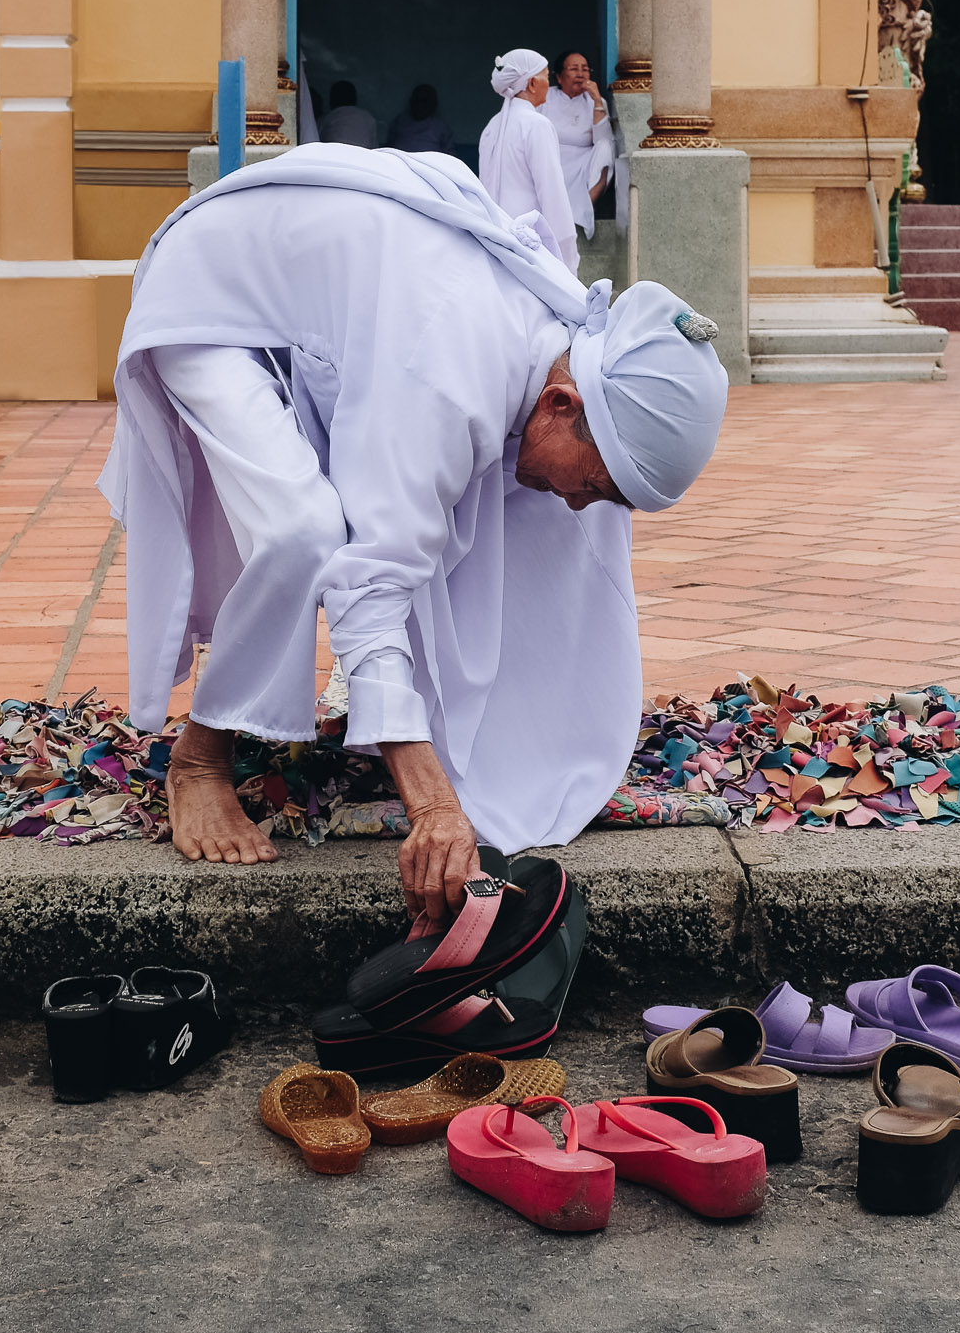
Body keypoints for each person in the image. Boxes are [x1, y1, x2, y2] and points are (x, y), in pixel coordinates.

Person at [101, 144, 726, 921]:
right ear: (560, 405)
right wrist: (431, 805)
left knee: (555, 522)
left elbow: (560, 543)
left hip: (335, 299)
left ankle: (492, 735)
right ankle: (201, 758)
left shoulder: (567, 350)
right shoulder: (447, 370)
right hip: (211, 292)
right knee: (303, 532)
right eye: (594, 484)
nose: (579, 502)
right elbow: (370, 579)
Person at [477, 48, 578, 271]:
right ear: (532, 84)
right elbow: (552, 192)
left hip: (495, 236)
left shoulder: (491, 127)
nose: (549, 84)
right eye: (546, 76)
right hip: (530, 240)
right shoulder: (537, 124)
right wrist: (567, 254)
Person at [541, 50, 616, 240]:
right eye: (574, 69)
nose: (581, 74)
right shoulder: (546, 98)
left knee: (606, 148)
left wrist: (597, 101)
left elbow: (602, 139)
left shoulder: (595, 100)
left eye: (585, 69)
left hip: (583, 159)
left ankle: (585, 208)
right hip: (553, 158)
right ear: (559, 76)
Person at [386, 83, 454, 156]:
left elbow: (450, 156)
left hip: (428, 165)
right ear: (411, 102)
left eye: (424, 101)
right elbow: (388, 148)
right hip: (401, 164)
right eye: (417, 100)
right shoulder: (399, 122)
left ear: (433, 104)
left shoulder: (441, 127)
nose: (420, 105)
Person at [319, 80, 377, 148]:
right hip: (361, 156)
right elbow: (374, 147)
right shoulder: (368, 118)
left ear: (332, 99)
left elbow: (313, 140)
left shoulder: (328, 117)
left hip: (332, 155)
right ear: (355, 98)